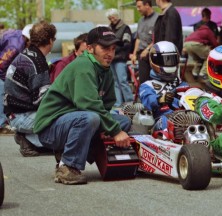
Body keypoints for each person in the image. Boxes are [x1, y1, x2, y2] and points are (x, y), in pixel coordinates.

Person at [33, 26, 132, 185]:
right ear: (90, 48)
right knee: (91, 118)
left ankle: (67, 152)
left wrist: (110, 128)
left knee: (123, 122)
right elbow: (88, 105)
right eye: (105, 48)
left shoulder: (105, 70)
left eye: (113, 49)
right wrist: (113, 130)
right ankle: (67, 167)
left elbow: (106, 104)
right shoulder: (84, 66)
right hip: (50, 127)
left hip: (73, 119)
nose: (110, 53)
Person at [4, 21, 56, 156]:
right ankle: (29, 140)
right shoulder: (38, 62)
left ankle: (27, 137)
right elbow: (42, 100)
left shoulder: (26, 54)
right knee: (63, 119)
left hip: (13, 113)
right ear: (50, 40)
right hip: (22, 116)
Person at [139, 41, 189, 120]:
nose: (169, 64)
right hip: (161, 119)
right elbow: (147, 101)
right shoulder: (147, 86)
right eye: (165, 60)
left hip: (186, 118)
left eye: (171, 60)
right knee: (167, 120)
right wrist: (160, 99)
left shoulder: (182, 84)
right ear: (154, 60)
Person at [0, 24, 32, 134]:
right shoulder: (15, 47)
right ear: (28, 39)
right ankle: (1, 124)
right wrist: (7, 81)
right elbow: (1, 64)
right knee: (2, 90)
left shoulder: (20, 36)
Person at [106, 8, 134, 107]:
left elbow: (127, 44)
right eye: (109, 18)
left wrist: (112, 50)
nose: (111, 20)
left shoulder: (125, 28)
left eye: (112, 17)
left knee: (122, 81)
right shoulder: (109, 29)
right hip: (112, 59)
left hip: (120, 58)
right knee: (115, 82)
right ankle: (118, 103)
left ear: (117, 16)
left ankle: (129, 101)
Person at [130, 0, 158, 84]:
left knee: (154, 81)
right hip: (142, 56)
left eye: (139, 6)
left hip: (153, 55)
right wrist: (134, 54)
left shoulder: (158, 19)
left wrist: (147, 50)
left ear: (147, 5)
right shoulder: (140, 20)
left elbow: (157, 38)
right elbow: (138, 39)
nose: (138, 9)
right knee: (143, 82)